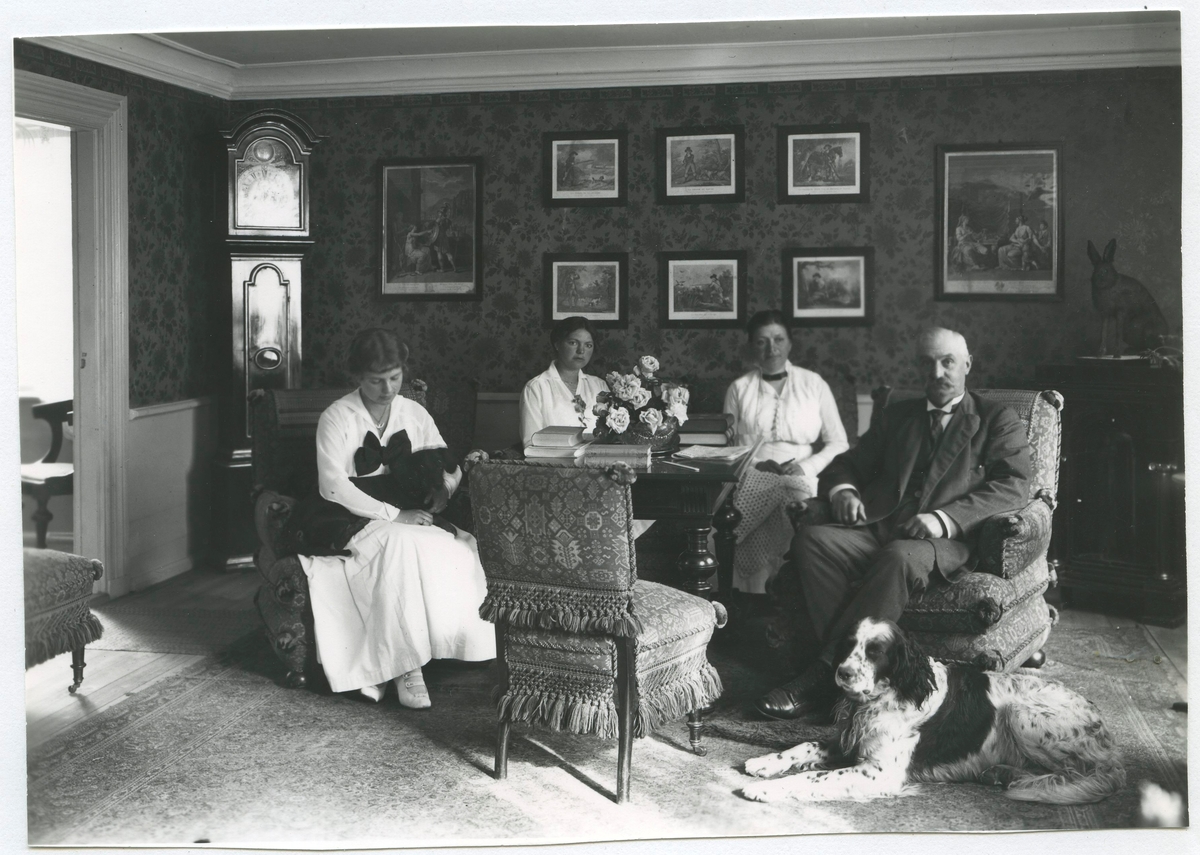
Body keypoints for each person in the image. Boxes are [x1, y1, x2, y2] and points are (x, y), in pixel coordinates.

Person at [754, 327, 1032, 720]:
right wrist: (844, 491)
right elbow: (847, 464)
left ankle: (823, 675)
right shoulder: (898, 415)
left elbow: (1014, 485)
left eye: (948, 362)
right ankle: (846, 673)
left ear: (967, 364)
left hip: (943, 541)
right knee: (813, 540)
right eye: (928, 363)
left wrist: (943, 519)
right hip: (881, 525)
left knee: (899, 557)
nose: (937, 372)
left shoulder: (996, 418)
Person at [299, 328, 495, 709]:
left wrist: (445, 488)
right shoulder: (336, 417)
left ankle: (444, 649)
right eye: (376, 381)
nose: (388, 389)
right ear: (358, 377)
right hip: (349, 511)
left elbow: (449, 464)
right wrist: (393, 515)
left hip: (410, 507)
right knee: (399, 546)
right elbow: (332, 485)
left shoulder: (414, 412)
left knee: (458, 548)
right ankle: (405, 666)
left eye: (395, 378)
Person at [722, 310, 850, 594]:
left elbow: (839, 443)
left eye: (778, 339)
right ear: (751, 346)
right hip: (751, 472)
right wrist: (756, 463)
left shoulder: (813, 383)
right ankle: (750, 594)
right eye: (762, 342)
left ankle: (791, 591)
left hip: (803, 472)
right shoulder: (739, 388)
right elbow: (729, 447)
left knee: (795, 494)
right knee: (763, 495)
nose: (772, 349)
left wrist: (807, 467)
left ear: (790, 343)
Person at [519, 316, 608, 446]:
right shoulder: (536, 387)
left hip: (596, 457)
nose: (581, 350)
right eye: (573, 343)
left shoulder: (599, 386)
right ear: (557, 344)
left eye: (588, 345)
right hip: (551, 458)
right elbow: (531, 443)